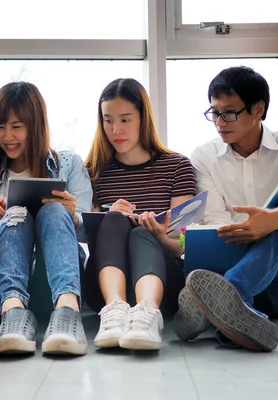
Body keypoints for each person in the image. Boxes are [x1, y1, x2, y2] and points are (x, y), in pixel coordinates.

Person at [175, 66, 278, 352]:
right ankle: (235, 318)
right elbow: (214, 219)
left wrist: (273, 219)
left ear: (258, 109)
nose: (219, 122)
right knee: (207, 237)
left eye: (228, 112)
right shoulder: (203, 157)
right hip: (227, 264)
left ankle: (215, 305)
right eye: (214, 113)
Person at [83, 78, 197, 351]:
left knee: (142, 233)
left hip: (163, 285)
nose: (115, 130)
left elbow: (183, 245)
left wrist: (159, 234)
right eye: (108, 120)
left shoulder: (177, 167)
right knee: (113, 219)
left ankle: (147, 314)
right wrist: (110, 217)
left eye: (125, 120)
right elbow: (90, 241)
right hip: (104, 289)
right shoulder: (94, 170)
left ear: (143, 118)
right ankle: (115, 311)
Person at [0, 81, 92, 356]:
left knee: (54, 209)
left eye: (17, 126)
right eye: (0, 126)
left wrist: (72, 216)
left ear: (36, 125)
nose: (7, 136)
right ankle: (13, 316)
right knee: (15, 215)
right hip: (8, 285)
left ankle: (68, 312)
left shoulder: (69, 164)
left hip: (55, 279)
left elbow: (89, 231)